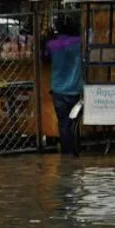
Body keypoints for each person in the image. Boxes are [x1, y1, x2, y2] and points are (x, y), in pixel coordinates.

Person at [44, 16, 83, 156]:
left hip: (58, 90)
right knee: (75, 123)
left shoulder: (52, 44)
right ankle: (76, 149)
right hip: (75, 89)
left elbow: (45, 59)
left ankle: (67, 153)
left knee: (63, 123)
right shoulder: (79, 43)